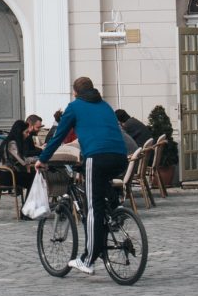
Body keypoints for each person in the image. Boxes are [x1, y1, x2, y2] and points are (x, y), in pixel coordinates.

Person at [44, 76, 132, 276]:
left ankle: (87, 259)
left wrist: (43, 158)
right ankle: (116, 211)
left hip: (97, 156)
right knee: (101, 191)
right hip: (120, 156)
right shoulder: (106, 105)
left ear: (75, 92)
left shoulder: (75, 106)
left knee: (93, 207)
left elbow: (58, 137)